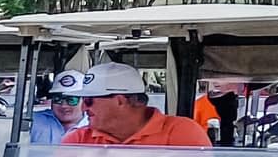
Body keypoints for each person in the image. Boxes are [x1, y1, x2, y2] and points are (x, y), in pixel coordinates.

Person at [63, 62, 209, 147]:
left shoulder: (182, 132)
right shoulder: (77, 140)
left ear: (120, 100)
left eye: (89, 101)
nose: (83, 108)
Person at [30, 70, 85, 144]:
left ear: (85, 101)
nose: (64, 105)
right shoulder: (33, 120)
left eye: (71, 100)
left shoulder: (95, 126)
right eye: (57, 99)